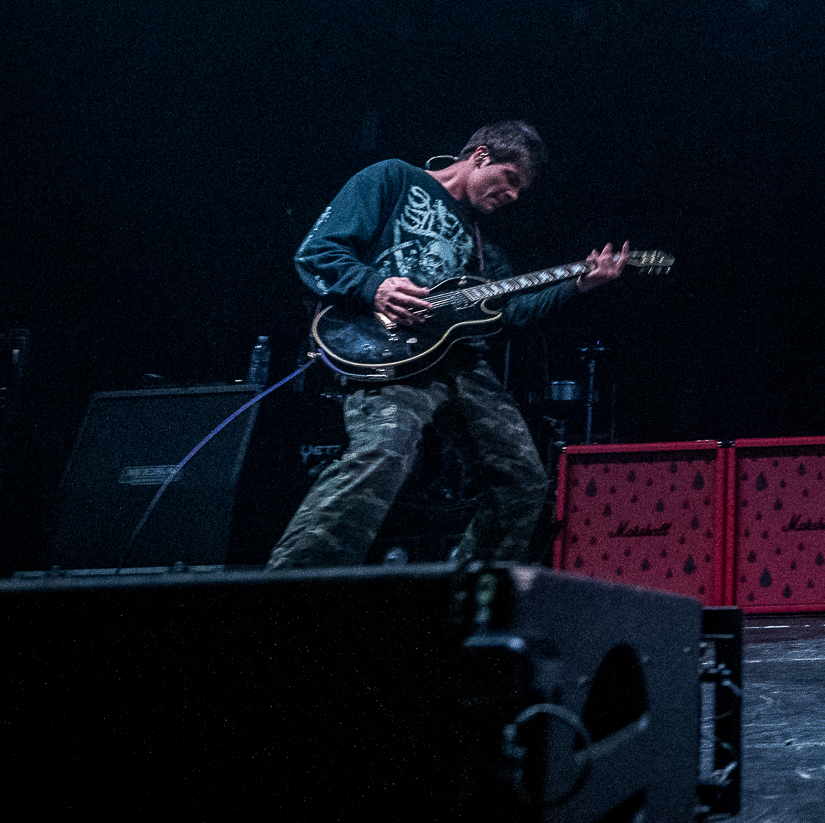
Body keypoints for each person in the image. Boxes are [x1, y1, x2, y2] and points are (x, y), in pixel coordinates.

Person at [266, 122, 628, 569]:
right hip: (388, 351)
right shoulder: (393, 178)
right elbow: (317, 254)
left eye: (521, 190)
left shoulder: (483, 248)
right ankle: (292, 582)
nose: (513, 195)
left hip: (460, 363)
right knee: (383, 453)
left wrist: (577, 285)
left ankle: (467, 596)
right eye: (510, 179)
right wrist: (374, 287)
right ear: (480, 156)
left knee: (522, 485)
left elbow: (510, 315)